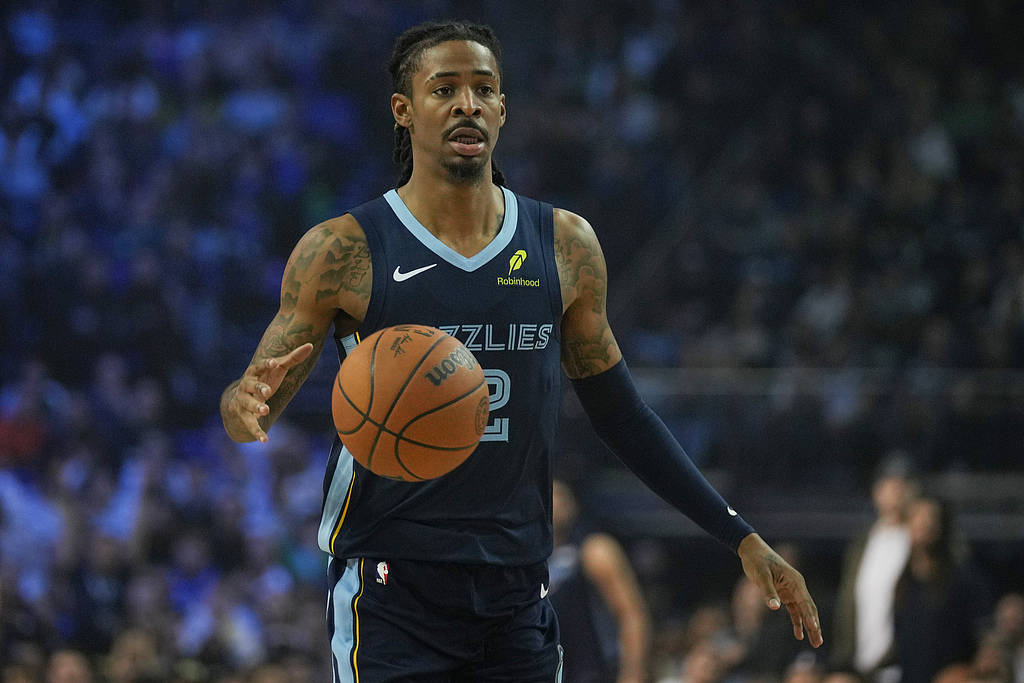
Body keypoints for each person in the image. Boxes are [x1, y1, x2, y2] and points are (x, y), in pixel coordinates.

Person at [219, 20, 822, 681]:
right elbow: (251, 410)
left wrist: (739, 533)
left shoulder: (564, 245)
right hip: (391, 590)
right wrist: (241, 404)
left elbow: (622, 415)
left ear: (503, 109)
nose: (467, 104)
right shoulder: (344, 250)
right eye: (444, 89)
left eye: (484, 89)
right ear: (403, 110)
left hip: (517, 594)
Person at [548, 478, 651, 683]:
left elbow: (631, 614)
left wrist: (633, 672)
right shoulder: (529, 560)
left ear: (574, 505)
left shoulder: (595, 550)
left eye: (560, 495)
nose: (553, 502)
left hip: (598, 672)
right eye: (549, 494)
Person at [831, 454, 917, 680]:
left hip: (903, 667)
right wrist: (843, 661)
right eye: (889, 484)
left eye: (902, 485)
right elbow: (847, 603)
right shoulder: (863, 543)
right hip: (858, 668)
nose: (896, 491)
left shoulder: (920, 543)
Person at [892, 495, 992, 683]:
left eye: (931, 517)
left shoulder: (964, 578)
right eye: (917, 517)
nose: (925, 524)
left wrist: (965, 673)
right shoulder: (903, 581)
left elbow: (986, 639)